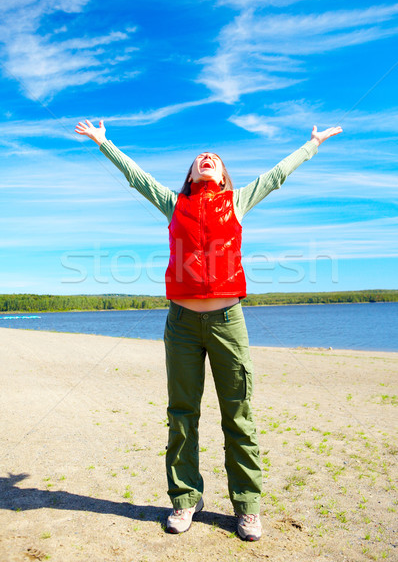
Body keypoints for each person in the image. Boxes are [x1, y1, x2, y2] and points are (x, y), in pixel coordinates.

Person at [75, 119, 342, 541]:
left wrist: (311, 145)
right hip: (180, 323)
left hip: (227, 322)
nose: (207, 159)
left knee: (239, 415)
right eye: (201, 158)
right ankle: (185, 500)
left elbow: (276, 176)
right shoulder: (172, 202)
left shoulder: (236, 200)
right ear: (191, 173)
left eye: (215, 160)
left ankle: (248, 507)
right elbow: (136, 176)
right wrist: (105, 143)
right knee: (182, 414)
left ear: (222, 175)